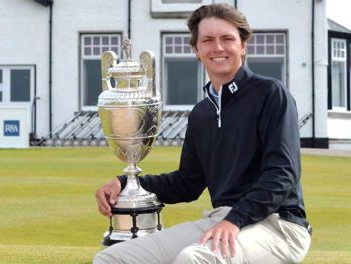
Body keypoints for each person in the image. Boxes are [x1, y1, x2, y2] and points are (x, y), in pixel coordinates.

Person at [93, 3, 311, 264]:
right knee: (112, 259)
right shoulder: (202, 113)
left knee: (194, 259)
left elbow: (282, 173)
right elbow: (187, 183)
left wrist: (235, 220)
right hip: (222, 218)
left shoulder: (270, 94)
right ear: (196, 50)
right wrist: (126, 183)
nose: (217, 48)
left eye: (227, 39)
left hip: (279, 226)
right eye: (208, 40)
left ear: (243, 45)